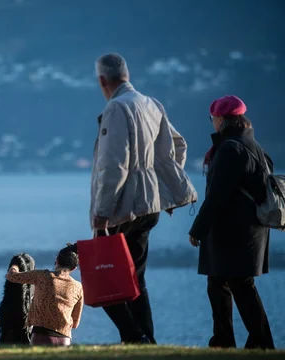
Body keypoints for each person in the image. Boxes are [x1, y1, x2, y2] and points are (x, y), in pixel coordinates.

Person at [90, 53, 197, 344]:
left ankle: (134, 336)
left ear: (102, 80)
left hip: (121, 208)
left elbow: (115, 165)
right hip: (150, 206)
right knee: (136, 277)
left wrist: (102, 212)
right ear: (126, 74)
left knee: (105, 277)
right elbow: (178, 145)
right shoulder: (151, 104)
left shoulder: (116, 108)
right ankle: (146, 339)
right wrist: (165, 190)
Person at [189, 95, 275, 349]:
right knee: (219, 283)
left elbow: (217, 194)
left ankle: (259, 341)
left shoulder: (229, 149)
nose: (212, 123)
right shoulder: (252, 144)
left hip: (233, 230)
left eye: (212, 118)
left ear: (221, 119)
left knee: (238, 285)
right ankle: (225, 339)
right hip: (248, 229)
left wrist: (198, 229)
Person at [6, 244, 83, 346]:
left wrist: (15, 264)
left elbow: (12, 276)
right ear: (73, 268)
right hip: (64, 340)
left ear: (57, 260)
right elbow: (75, 324)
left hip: (41, 336)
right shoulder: (78, 287)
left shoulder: (42, 276)